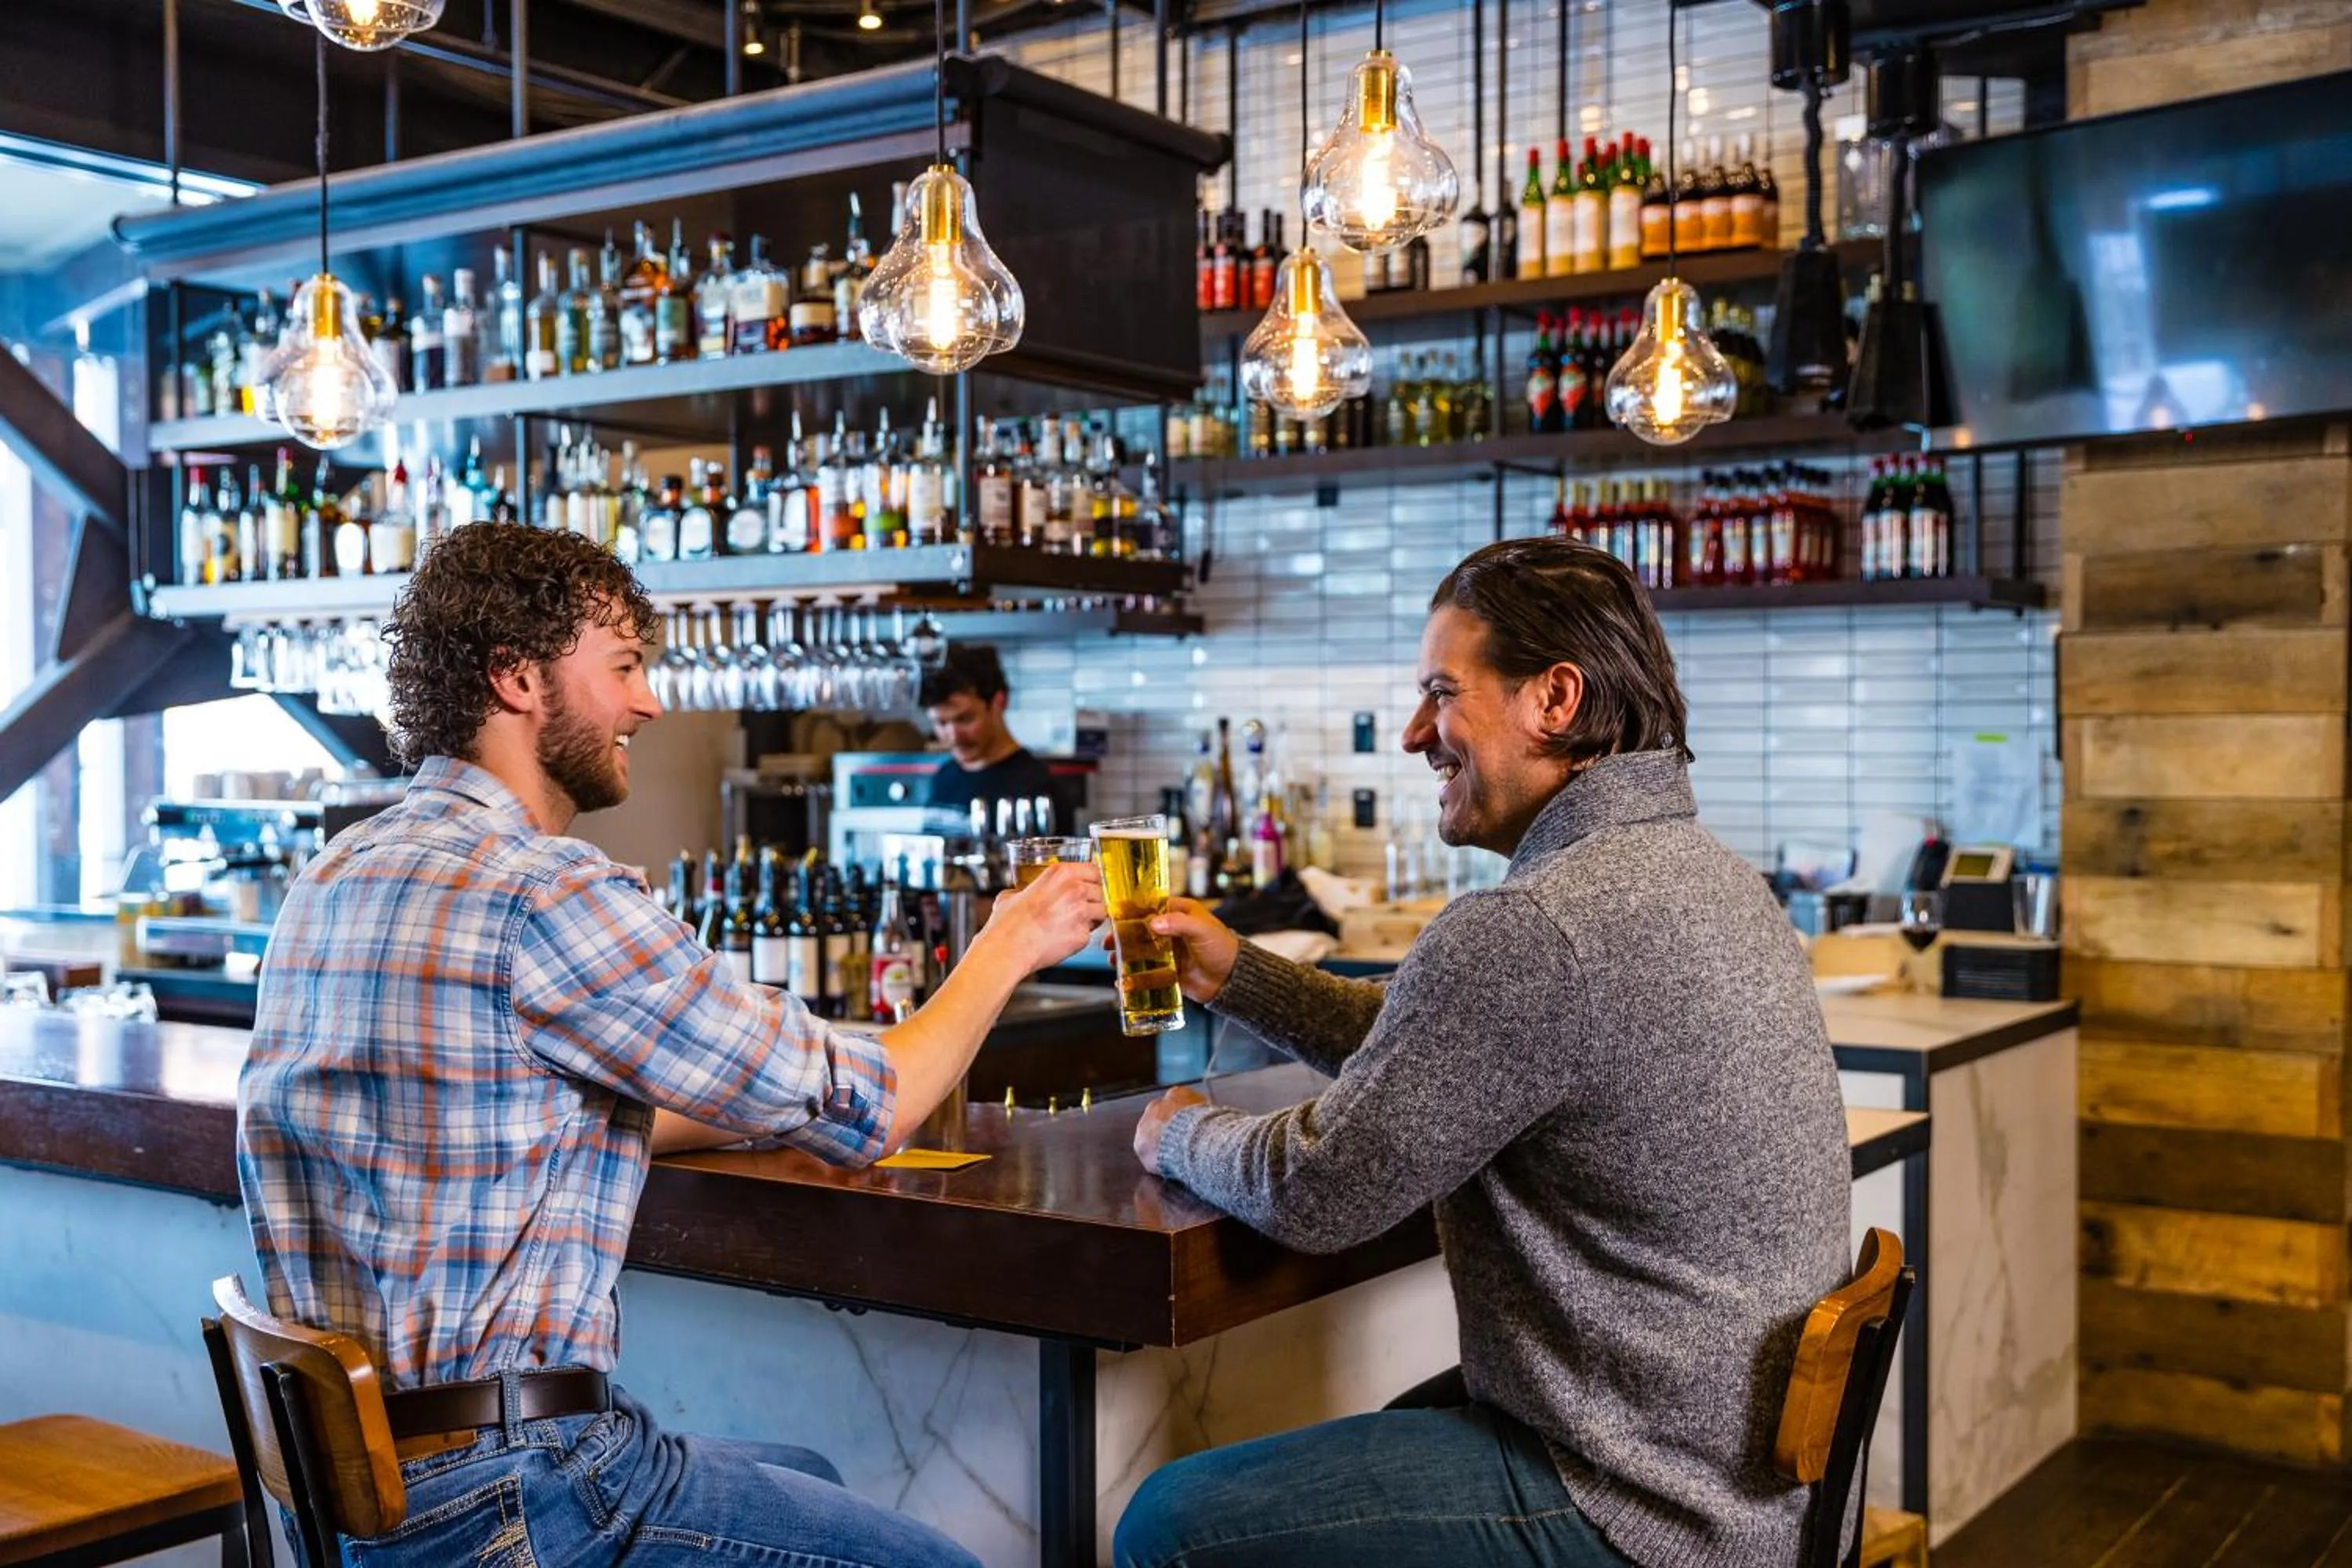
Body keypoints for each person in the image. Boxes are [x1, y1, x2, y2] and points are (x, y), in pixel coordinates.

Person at [237, 522, 1102, 1567]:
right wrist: (1010, 942)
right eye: (626, 668)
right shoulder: (544, 893)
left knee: (807, 1483)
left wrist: (738, 1114)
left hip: (363, 1493)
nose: (649, 703)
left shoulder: (336, 874)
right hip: (512, 1495)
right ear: (517, 677)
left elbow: (495, 1122)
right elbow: (879, 1103)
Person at [1113, 536, 1850, 1568]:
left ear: (1554, 699)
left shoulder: (1541, 925)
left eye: (1441, 693)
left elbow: (1322, 1189)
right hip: (1738, 1478)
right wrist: (1240, 971)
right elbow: (1454, 1051)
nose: (1417, 733)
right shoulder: (1707, 875)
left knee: (1172, 1528)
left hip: (1644, 1503)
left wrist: (1183, 1132)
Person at [919, 643, 1058, 819]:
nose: (954, 736)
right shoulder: (943, 778)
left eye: (965, 719)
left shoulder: (1038, 789)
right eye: (941, 723)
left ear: (999, 703)